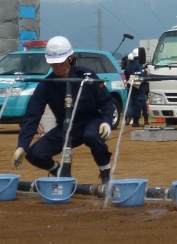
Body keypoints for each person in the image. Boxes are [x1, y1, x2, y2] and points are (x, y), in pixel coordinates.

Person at [12, 36, 114, 183]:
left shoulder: (86, 76)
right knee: (34, 154)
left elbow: (106, 102)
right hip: (65, 128)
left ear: (70, 58)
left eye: (60, 62)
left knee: (92, 136)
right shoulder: (46, 84)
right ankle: (59, 172)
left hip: (90, 122)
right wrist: (22, 146)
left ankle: (105, 172)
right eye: (53, 63)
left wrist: (106, 122)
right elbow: (32, 115)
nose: (57, 66)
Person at [124, 50, 148, 128]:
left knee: (131, 103)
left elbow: (126, 75)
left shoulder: (128, 66)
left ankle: (130, 118)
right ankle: (135, 121)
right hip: (139, 87)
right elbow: (142, 76)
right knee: (139, 103)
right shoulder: (139, 65)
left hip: (131, 86)